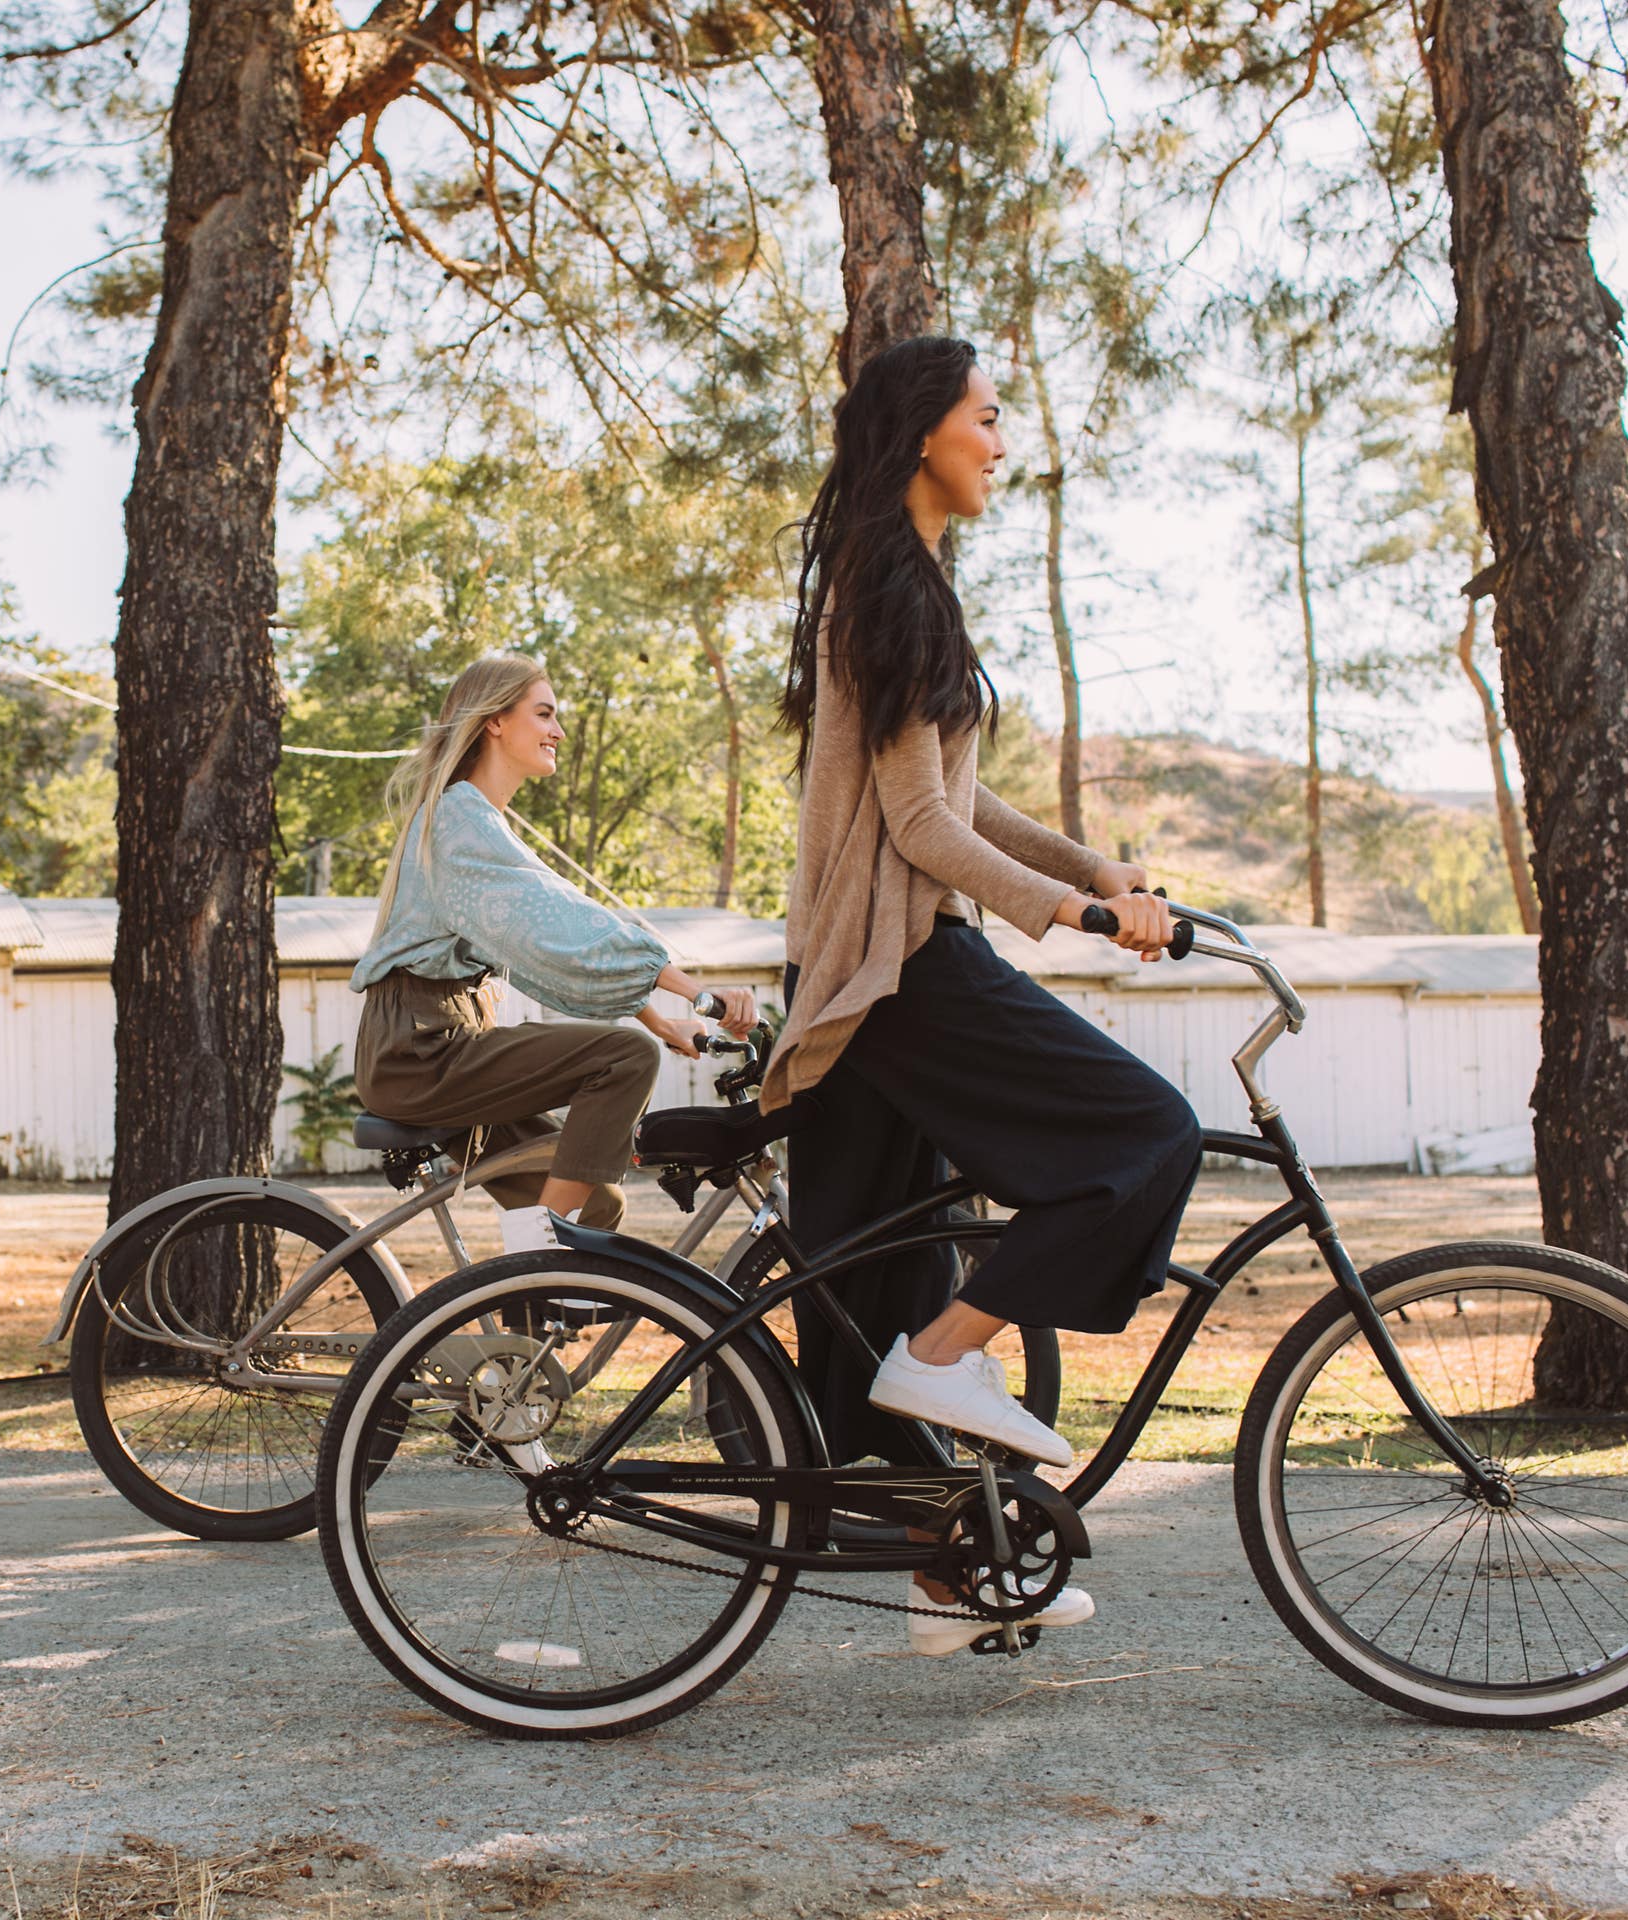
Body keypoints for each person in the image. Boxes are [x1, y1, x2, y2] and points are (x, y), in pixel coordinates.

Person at [765, 334, 1204, 1652]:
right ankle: (950, 1354)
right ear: (923, 435)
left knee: (871, 1283)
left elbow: (966, 797)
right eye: (988, 418)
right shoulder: (891, 585)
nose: (1001, 443)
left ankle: (942, 1573)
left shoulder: (907, 584)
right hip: (895, 967)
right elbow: (918, 830)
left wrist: (1095, 866)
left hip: (876, 964)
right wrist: (1072, 913)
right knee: (1145, 1137)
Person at [351, 653, 756, 1252]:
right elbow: (558, 923)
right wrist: (695, 992)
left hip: (443, 1042)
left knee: (595, 1199)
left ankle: (530, 1333)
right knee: (624, 1059)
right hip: (418, 1052)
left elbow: (543, 939)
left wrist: (662, 1017)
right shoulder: (460, 820)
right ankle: (539, 1249)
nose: (558, 732)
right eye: (544, 714)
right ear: (494, 721)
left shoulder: (478, 819)